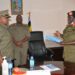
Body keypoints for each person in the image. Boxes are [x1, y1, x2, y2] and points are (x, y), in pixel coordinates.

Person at [54, 11, 75, 75]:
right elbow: (67, 37)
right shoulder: (68, 27)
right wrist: (60, 35)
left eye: (71, 17)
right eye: (68, 17)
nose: (69, 18)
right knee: (67, 71)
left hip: (73, 55)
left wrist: (64, 43)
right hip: (67, 54)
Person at [0, 10, 14, 74]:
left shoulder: (5, 28)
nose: (8, 19)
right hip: (3, 59)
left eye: (8, 18)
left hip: (8, 57)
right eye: (6, 18)